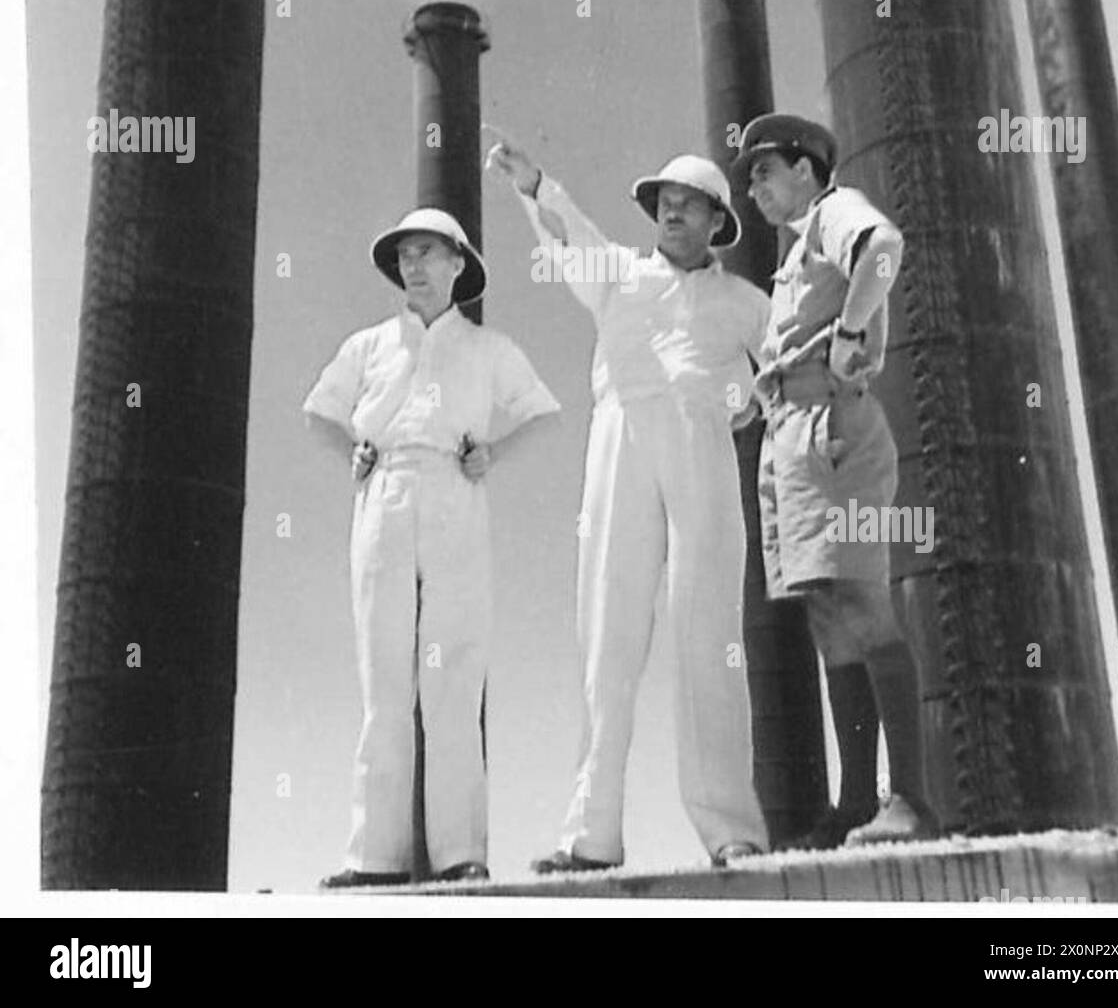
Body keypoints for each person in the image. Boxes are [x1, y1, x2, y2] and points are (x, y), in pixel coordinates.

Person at [486, 134, 770, 872]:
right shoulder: (615, 274)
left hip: (701, 450)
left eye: (689, 205)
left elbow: (785, 370)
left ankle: (729, 830)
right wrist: (534, 183)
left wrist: (738, 400)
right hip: (619, 440)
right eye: (664, 202)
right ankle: (591, 835)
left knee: (709, 626)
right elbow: (567, 232)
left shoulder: (744, 301)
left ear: (717, 223)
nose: (672, 212)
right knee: (607, 631)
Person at [304, 207, 559, 888]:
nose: (413, 266)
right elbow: (318, 410)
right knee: (383, 679)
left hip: (454, 490)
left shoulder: (488, 347)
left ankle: (460, 855)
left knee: (454, 677)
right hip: (383, 493)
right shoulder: (367, 345)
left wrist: (492, 455)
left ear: (457, 264)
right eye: (405, 255)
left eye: (427, 252)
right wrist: (351, 449)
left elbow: (542, 412)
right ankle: (373, 858)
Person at [735, 113, 937, 847]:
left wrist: (853, 330)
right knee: (824, 614)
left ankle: (909, 799)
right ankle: (856, 805)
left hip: (833, 432)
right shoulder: (792, 258)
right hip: (789, 438)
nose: (752, 187)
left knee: (858, 597)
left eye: (763, 171)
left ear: (804, 169)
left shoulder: (831, 215)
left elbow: (883, 248)